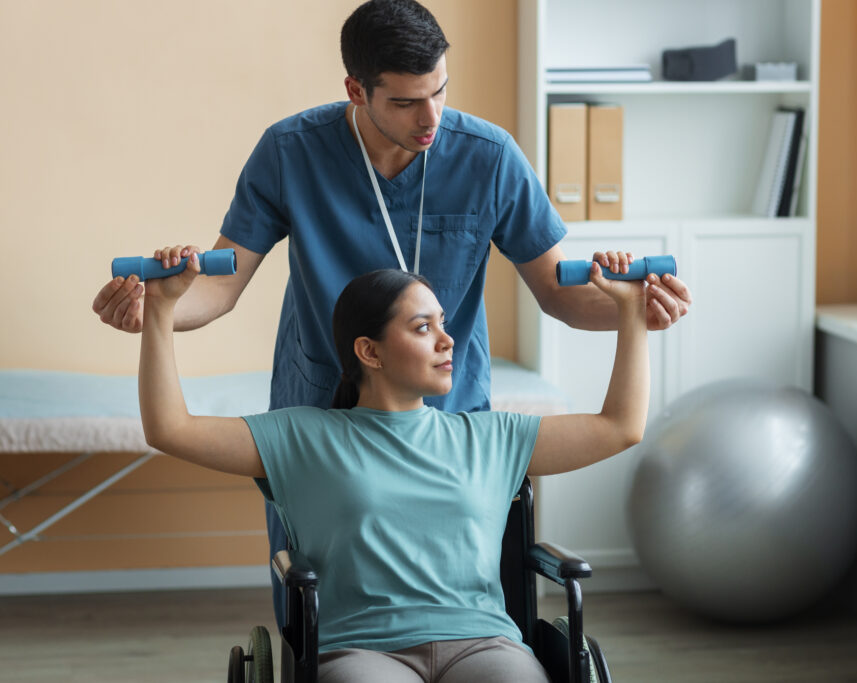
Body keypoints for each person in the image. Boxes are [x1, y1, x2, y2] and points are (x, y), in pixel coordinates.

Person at [92, 0, 691, 624]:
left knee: (459, 589)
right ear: (356, 89)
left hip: (445, 420)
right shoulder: (290, 151)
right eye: (406, 102)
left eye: (439, 92)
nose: (431, 118)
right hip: (323, 417)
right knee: (320, 601)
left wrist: (635, 313)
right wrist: (156, 312)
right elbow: (220, 285)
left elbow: (561, 293)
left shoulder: (488, 157)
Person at [138, 256, 649, 683]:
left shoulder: (492, 436)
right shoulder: (301, 437)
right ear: (370, 352)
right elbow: (170, 428)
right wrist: (161, 309)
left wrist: (632, 312)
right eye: (423, 327)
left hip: (484, 642)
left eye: (443, 324)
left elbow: (620, 426)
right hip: (360, 652)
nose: (447, 340)